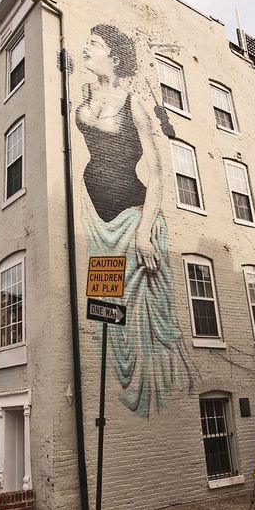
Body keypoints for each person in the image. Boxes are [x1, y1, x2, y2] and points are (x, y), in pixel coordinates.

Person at [76, 23, 195, 417]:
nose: (85, 48)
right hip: (96, 224)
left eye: (93, 44)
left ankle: (151, 401)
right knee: (107, 309)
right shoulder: (83, 92)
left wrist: (145, 232)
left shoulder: (134, 103)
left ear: (112, 55)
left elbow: (159, 171)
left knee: (143, 317)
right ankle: (108, 402)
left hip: (131, 221)